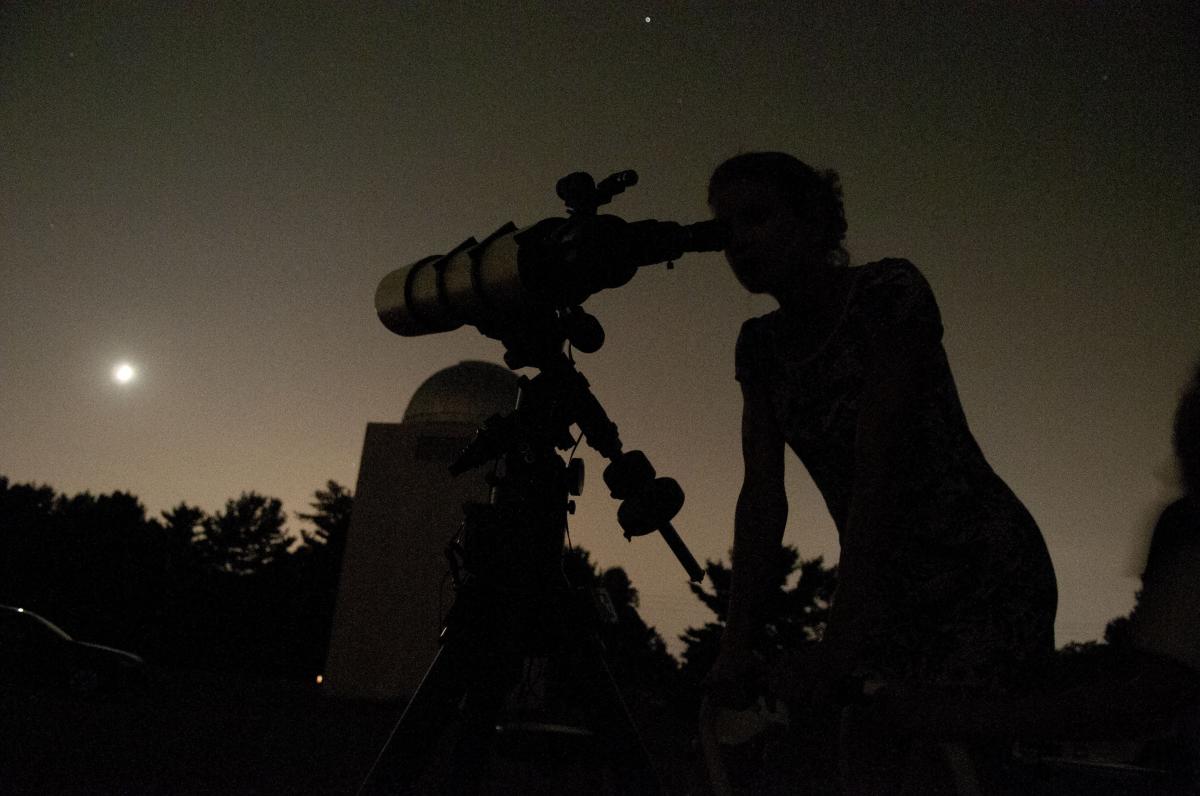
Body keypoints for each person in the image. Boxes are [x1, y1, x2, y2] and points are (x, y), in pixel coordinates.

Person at [703, 151, 1058, 790]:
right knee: (866, 759)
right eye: (724, 226)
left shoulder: (889, 294)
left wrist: (841, 643)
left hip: (979, 570)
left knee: (956, 769)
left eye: (755, 216)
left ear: (815, 220)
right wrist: (733, 648)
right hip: (887, 590)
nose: (737, 241)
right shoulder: (759, 346)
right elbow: (762, 498)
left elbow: (880, 469)